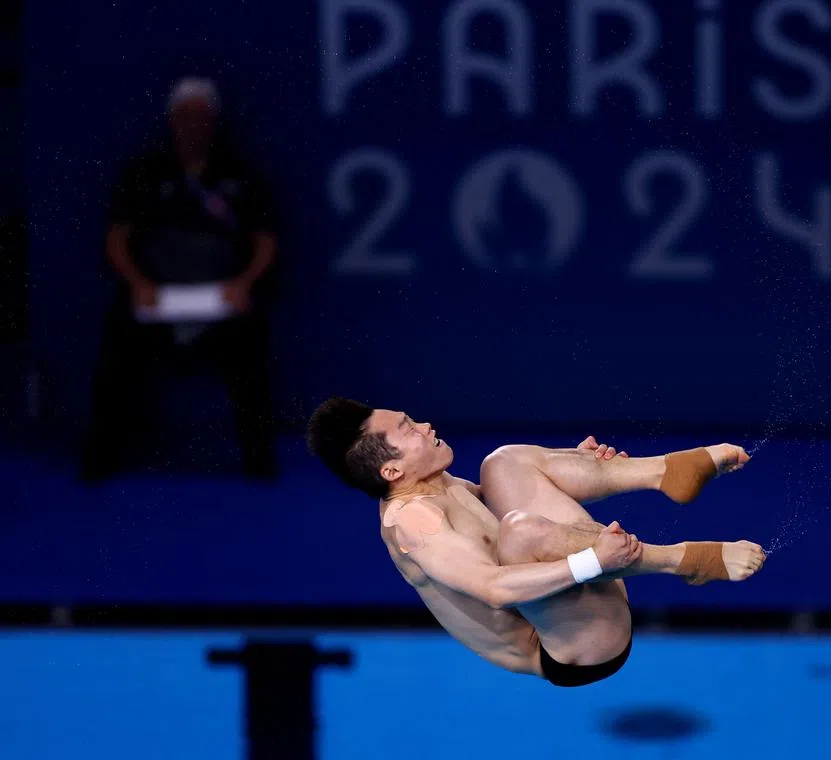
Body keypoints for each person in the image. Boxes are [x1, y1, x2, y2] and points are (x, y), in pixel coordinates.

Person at [307, 397, 766, 687]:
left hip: (572, 594)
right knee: (522, 530)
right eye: (409, 428)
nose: (425, 425)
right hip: (572, 647)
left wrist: (577, 465)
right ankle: (682, 560)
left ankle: (664, 470)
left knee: (504, 462)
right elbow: (494, 587)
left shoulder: (439, 483)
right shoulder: (413, 523)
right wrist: (592, 560)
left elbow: (514, 507)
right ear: (391, 471)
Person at [82, 77, 279, 481]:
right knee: (117, 344)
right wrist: (138, 284)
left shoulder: (240, 173)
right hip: (156, 296)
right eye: (186, 116)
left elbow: (265, 240)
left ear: (215, 122)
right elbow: (117, 239)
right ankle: (100, 460)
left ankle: (259, 462)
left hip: (222, 298)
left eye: (203, 116)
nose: (194, 125)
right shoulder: (143, 172)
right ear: (171, 120)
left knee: (250, 345)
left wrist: (244, 283)